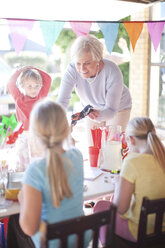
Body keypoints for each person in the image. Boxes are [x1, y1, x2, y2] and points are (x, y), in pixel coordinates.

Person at [6, 99, 91, 248]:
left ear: (36, 133)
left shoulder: (35, 170)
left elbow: (29, 228)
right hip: (79, 240)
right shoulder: (77, 156)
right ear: (66, 129)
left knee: (15, 220)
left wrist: (23, 199)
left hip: (52, 243)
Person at [93, 117, 165, 245]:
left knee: (100, 207)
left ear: (131, 139)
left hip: (139, 231)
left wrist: (119, 184)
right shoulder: (161, 158)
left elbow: (120, 209)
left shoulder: (132, 162)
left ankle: (110, 245)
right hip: (161, 230)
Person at [57, 34, 132, 146]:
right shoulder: (72, 69)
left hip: (118, 108)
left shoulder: (113, 71)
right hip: (91, 108)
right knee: (93, 148)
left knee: (112, 148)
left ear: (98, 59)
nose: (82, 69)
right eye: (78, 63)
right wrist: (61, 121)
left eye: (87, 63)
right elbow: (63, 100)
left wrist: (99, 116)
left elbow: (111, 110)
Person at [7, 66, 52, 130]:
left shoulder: (42, 95)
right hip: (24, 134)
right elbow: (10, 83)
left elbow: (48, 78)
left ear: (41, 85)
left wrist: (34, 68)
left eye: (37, 86)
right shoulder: (19, 98)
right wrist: (19, 71)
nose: (33, 89)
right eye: (29, 86)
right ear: (22, 86)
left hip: (40, 132)